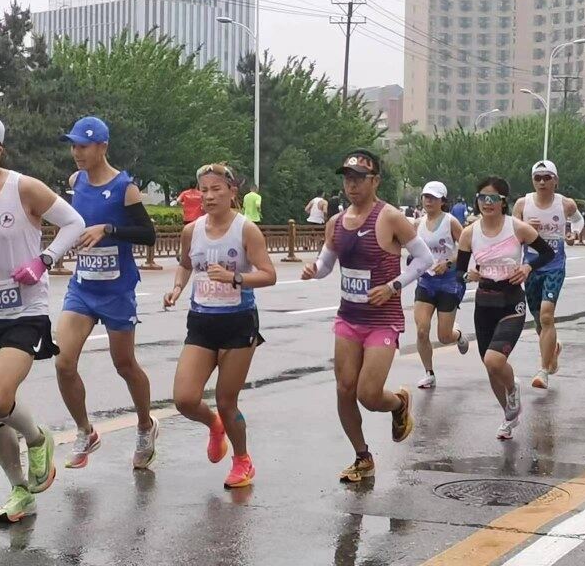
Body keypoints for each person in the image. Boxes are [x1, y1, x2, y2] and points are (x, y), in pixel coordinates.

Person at [0, 112, 85, 523]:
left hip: (24, 312)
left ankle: (37, 437)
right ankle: (19, 491)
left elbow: (73, 222)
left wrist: (43, 261)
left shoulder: (22, 187)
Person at [302, 150, 434, 483]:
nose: (352, 185)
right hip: (348, 317)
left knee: (368, 393)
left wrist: (393, 286)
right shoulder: (336, 223)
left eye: (359, 178)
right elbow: (326, 265)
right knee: (345, 389)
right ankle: (362, 457)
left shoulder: (389, 217)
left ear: (375, 180)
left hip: (382, 318)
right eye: (348, 178)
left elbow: (424, 259)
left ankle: (398, 404)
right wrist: (313, 270)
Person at [55, 117, 158, 471]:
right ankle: (85, 431)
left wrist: (109, 228)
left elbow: (148, 234)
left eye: (83, 146)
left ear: (102, 147)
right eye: (73, 146)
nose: (76, 153)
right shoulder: (75, 182)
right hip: (82, 287)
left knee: (124, 364)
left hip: (116, 289)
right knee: (63, 361)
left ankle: (145, 425)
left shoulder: (124, 187)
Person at [164, 163, 276, 489]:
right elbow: (186, 265)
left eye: (216, 189)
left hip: (238, 323)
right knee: (184, 399)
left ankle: (242, 459)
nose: (209, 196)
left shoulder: (245, 230)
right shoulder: (192, 230)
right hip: (201, 321)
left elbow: (268, 274)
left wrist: (234, 277)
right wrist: (176, 288)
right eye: (204, 190)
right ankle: (214, 425)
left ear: (231, 192)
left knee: (227, 402)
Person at [456, 176, 555, 440]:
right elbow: (458, 274)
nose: (487, 203)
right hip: (485, 303)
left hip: (512, 301)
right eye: (482, 198)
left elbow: (547, 253)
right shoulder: (469, 233)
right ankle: (509, 416)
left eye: (493, 199)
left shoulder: (517, 228)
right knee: (490, 368)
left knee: (494, 360)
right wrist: (470, 276)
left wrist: (527, 267)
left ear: (503, 202)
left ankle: (513, 389)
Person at [512, 161, 582, 391]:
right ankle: (553, 349)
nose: (542, 182)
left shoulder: (565, 204)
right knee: (538, 318)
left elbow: (577, 220)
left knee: (546, 316)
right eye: (538, 178)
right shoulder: (523, 204)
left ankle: (543, 371)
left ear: (555, 180)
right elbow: (511, 233)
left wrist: (573, 233)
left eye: (547, 177)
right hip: (530, 266)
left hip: (554, 264)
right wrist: (523, 226)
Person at [413, 181, 469, 389]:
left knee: (444, 337)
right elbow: (406, 245)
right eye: (426, 197)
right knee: (421, 330)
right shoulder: (416, 223)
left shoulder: (450, 222)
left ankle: (458, 335)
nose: (428, 201)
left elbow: (465, 247)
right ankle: (429, 373)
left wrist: (448, 263)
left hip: (448, 283)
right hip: (426, 282)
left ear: (442, 201)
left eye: (433, 198)